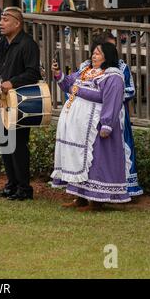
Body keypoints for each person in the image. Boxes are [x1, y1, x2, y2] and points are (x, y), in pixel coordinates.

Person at [51, 43, 131, 211]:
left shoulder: (113, 76)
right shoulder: (85, 72)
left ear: (107, 57)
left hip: (96, 125)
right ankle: (80, 197)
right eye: (93, 53)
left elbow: (112, 100)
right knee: (79, 158)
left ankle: (96, 201)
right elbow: (68, 85)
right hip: (79, 126)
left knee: (95, 160)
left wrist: (107, 124)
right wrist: (58, 75)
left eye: (98, 53)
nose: (94, 56)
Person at [78, 31, 143, 198]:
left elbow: (130, 90)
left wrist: (109, 96)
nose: (114, 49)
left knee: (120, 150)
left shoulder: (120, 67)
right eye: (109, 46)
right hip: (87, 115)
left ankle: (125, 188)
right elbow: (76, 86)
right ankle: (85, 191)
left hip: (116, 115)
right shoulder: (85, 66)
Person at [0, 7, 41, 201]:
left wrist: (12, 82)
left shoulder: (28, 44)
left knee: (18, 143)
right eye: (1, 19)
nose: (1, 23)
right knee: (4, 142)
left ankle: (24, 188)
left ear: (17, 23)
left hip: (20, 100)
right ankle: (11, 184)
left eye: (6, 19)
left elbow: (33, 73)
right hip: (2, 100)